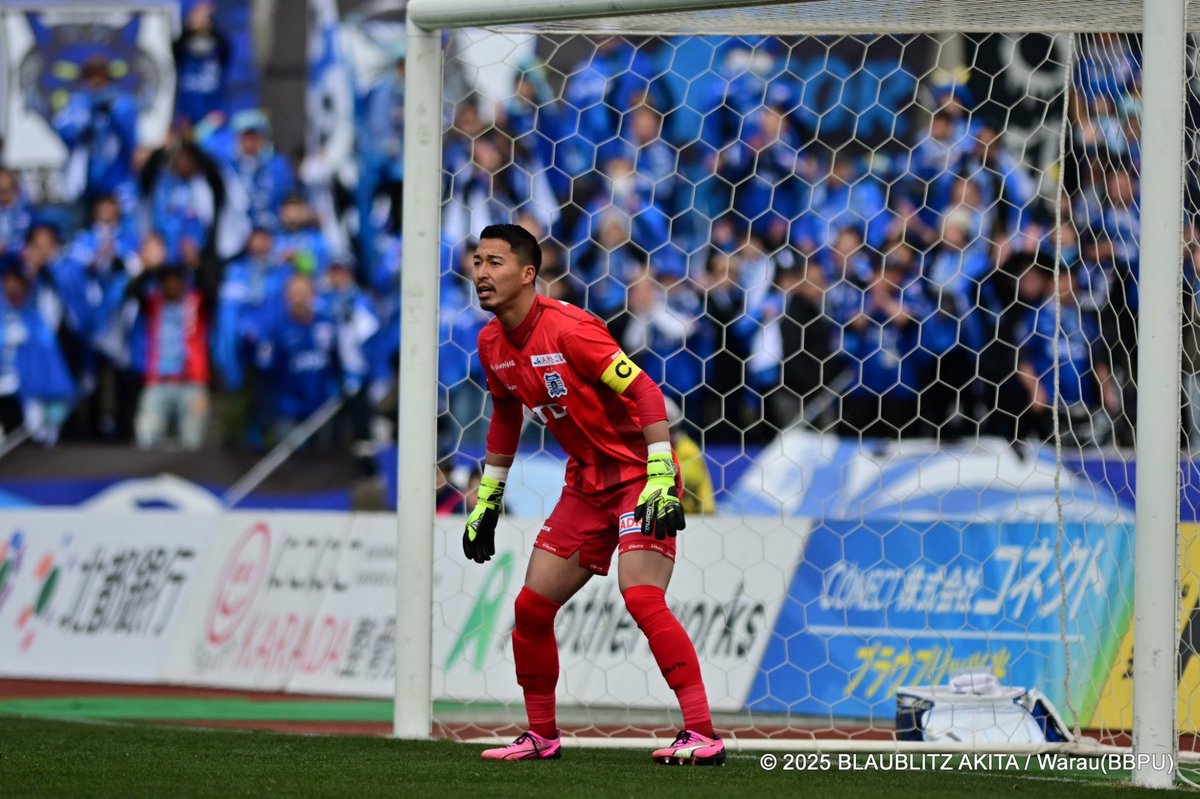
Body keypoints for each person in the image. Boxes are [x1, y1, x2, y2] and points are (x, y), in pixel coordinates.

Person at [463, 224, 722, 765]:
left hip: (639, 474)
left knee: (641, 595)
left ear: (528, 274)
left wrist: (658, 475)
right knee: (531, 609)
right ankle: (541, 737)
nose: (481, 273)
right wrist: (488, 499)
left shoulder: (570, 330)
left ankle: (701, 734)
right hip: (586, 483)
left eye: (494, 262)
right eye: (477, 261)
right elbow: (505, 417)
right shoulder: (491, 343)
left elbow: (646, 392)